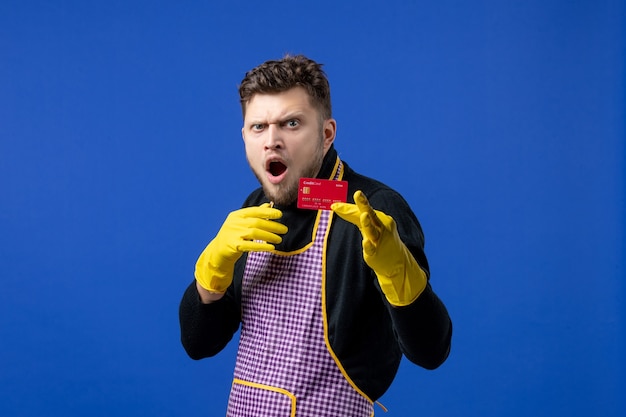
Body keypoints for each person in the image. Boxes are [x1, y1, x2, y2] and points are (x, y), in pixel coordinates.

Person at [179, 54, 452, 416]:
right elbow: (199, 344)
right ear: (244, 135)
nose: (272, 141)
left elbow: (432, 352)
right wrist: (209, 280)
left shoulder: (374, 211)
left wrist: (399, 274)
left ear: (326, 134)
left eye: (291, 123)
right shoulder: (253, 211)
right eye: (258, 127)